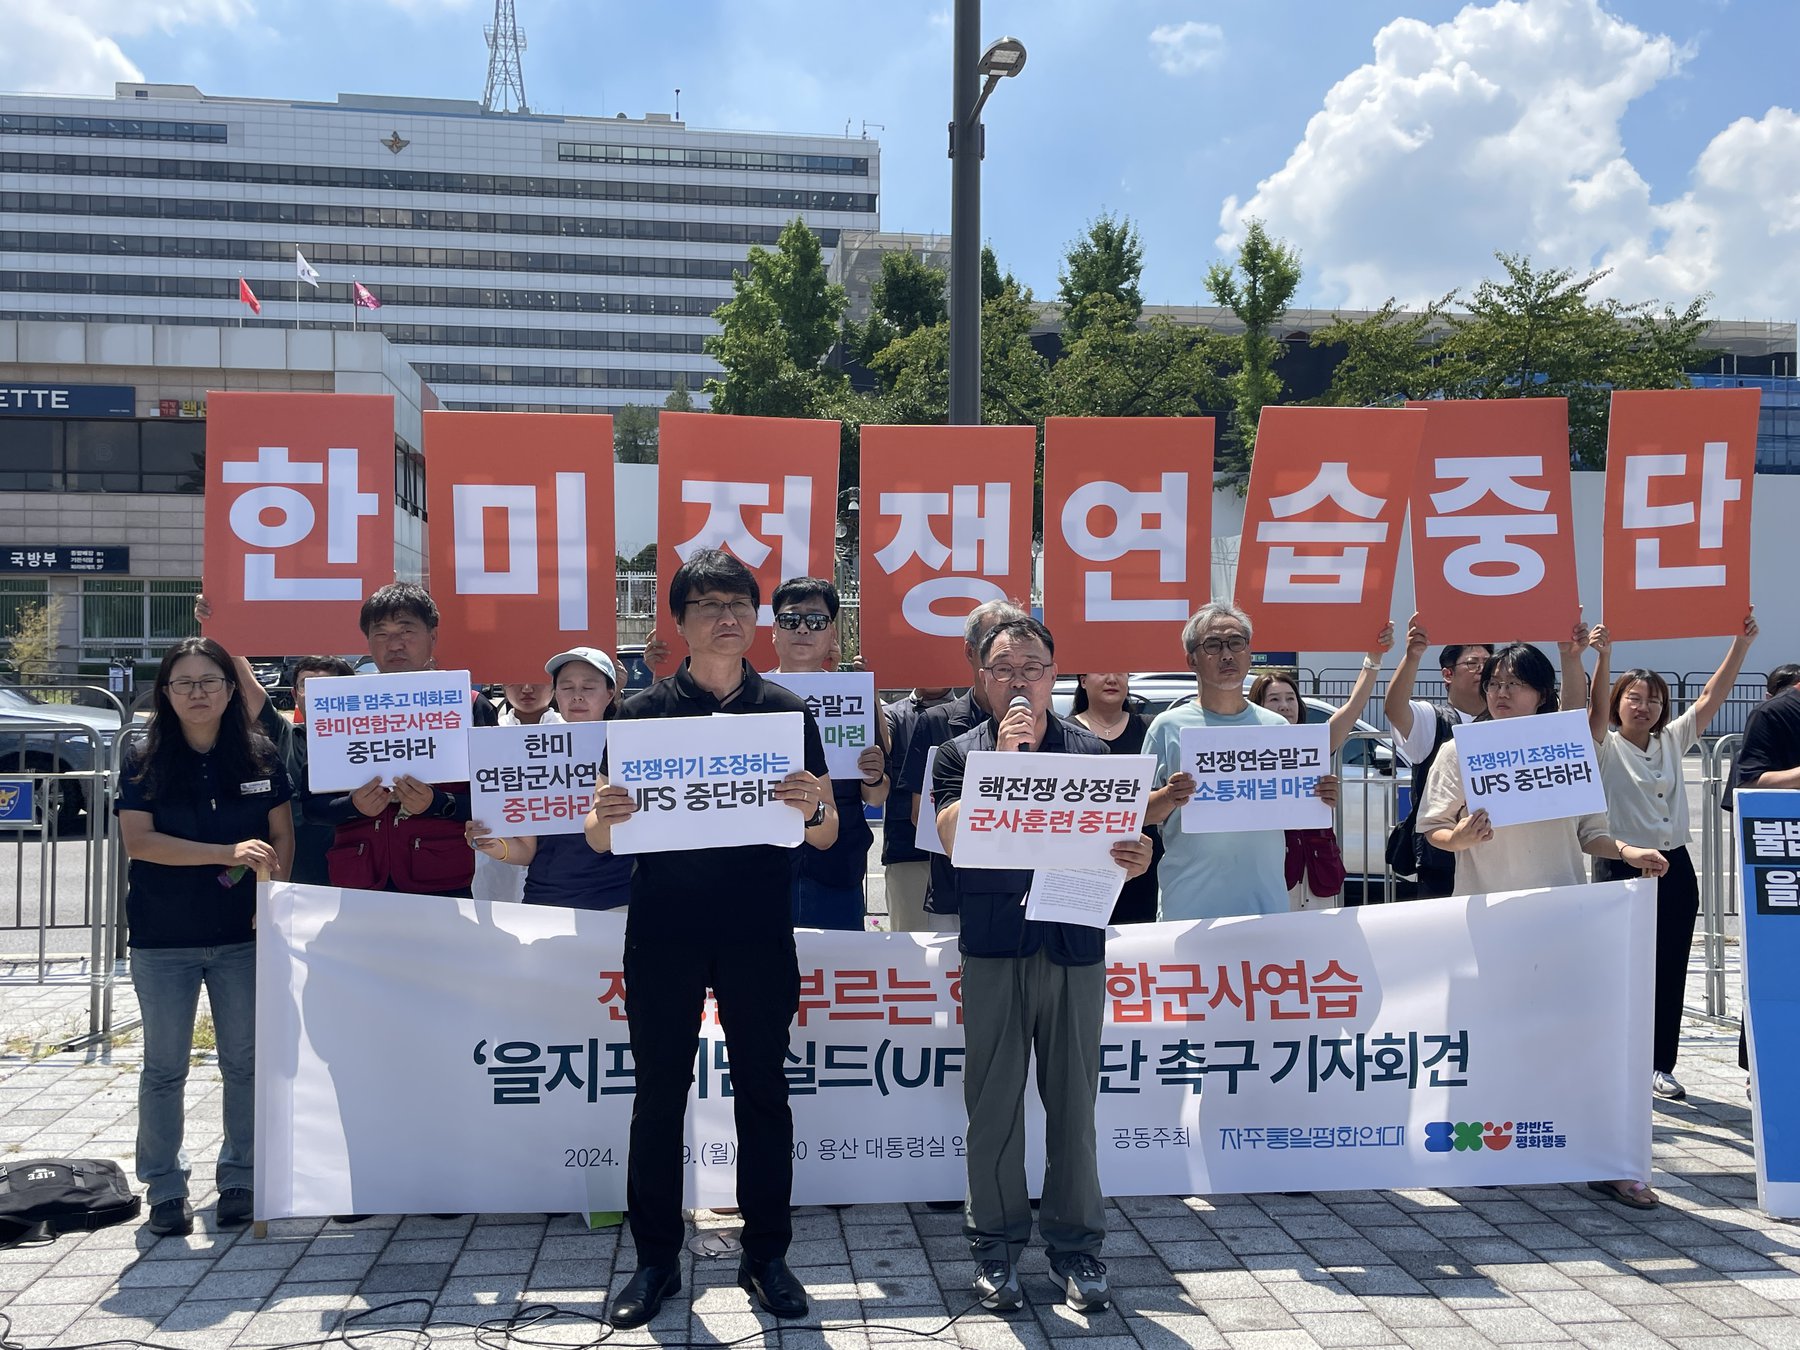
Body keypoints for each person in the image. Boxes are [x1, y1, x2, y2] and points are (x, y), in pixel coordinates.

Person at [586, 549, 834, 1329]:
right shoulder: (636, 714)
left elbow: (825, 838)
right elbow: (597, 837)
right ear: (681, 621)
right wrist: (607, 817)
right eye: (708, 606)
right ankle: (656, 1259)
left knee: (764, 1087)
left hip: (757, 927)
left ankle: (767, 1255)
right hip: (663, 927)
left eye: (738, 605)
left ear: (754, 617)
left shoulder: (788, 712)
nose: (727, 618)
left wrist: (814, 808)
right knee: (659, 1093)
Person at [931, 617, 1153, 1314]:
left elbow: (1125, 841)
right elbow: (952, 836)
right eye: (1004, 668)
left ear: (1055, 675)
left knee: (1073, 1107)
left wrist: (1138, 854)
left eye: (1032, 667)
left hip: (1073, 947)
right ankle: (994, 1248)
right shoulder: (956, 753)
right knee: (992, 1107)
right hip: (996, 949)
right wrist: (1003, 760)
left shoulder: (1092, 750)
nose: (1019, 680)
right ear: (982, 676)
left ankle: (1076, 1245)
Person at [1416, 641, 1667, 1210]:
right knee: (1482, 1038)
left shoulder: (1569, 749)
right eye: (1495, 683)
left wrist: (1628, 851)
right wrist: (1459, 838)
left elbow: (1590, 833)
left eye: (1517, 683)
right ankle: (1478, 1147)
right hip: (1487, 919)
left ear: (1542, 694)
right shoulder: (1460, 751)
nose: (1503, 692)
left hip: (1561, 921)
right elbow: (1433, 828)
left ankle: (1604, 1158)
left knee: (1581, 1039)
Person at [117, 637, 294, 1236]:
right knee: (164, 1067)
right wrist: (224, 852)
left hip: (243, 935)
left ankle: (240, 1176)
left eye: (210, 681)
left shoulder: (259, 753)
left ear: (229, 688)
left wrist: (272, 896)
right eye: (184, 683)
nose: (198, 693)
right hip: (163, 938)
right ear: (165, 693)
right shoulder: (143, 757)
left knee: (244, 1062)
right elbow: (140, 843)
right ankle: (165, 1186)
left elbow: (281, 835)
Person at [1583, 612, 1756, 1102]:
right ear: (1619, 702)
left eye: (1654, 698)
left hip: (1674, 864)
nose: (1646, 706)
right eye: (1634, 697)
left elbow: (1710, 699)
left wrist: (1739, 645)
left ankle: (1661, 1064)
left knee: (1671, 966)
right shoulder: (1603, 747)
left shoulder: (1672, 740)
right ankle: (1616, 1058)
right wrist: (1604, 658)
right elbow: (1594, 712)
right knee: (1620, 969)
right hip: (1620, 862)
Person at [1145, 603, 1340, 921]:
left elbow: (1294, 809)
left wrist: (1320, 796)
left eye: (1236, 643)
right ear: (1191, 659)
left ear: (1249, 654)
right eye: (1213, 645)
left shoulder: (1276, 728)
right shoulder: (1167, 727)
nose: (1226, 654)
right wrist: (1168, 797)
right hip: (1188, 910)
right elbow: (1136, 813)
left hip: (1265, 906)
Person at [302, 583, 498, 897]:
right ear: (367, 640)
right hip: (360, 881)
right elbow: (312, 807)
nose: (394, 645)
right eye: (381, 633)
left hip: (443, 880)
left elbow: (495, 800)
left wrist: (438, 803)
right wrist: (352, 805)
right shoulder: (338, 706)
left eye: (407, 631)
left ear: (432, 637)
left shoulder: (470, 704)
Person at [896, 599, 1029, 928]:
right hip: (953, 890)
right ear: (971, 653)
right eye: (994, 644)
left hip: (1025, 892)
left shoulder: (1046, 726)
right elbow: (921, 815)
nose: (1009, 660)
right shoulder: (935, 722)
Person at [468, 647, 630, 912]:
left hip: (618, 902)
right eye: (567, 687)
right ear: (556, 693)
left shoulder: (628, 748)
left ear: (610, 693)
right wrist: (493, 845)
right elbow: (527, 850)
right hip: (545, 902)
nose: (577, 696)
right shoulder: (535, 753)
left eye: (588, 687)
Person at [770, 576, 890, 931]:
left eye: (816, 621)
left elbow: (877, 794)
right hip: (764, 867)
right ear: (774, 631)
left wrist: (873, 775)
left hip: (837, 865)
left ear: (831, 633)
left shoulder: (853, 697)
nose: (803, 629)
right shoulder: (748, 696)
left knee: (837, 979)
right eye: (791, 620)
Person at [1248, 624, 1394, 908]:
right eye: (1274, 699)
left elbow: (1353, 708)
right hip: (1272, 874)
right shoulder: (1247, 751)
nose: (1285, 705)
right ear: (1258, 705)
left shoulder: (1312, 744)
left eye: (1290, 698)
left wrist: (1373, 660)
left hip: (1317, 870)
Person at [1382, 623, 1494, 898]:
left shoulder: (1507, 721)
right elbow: (1395, 709)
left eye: (1487, 662)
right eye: (1472, 662)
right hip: (1442, 862)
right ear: (1447, 674)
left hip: (1498, 857)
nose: (1482, 668)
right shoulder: (1432, 718)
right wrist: (1413, 655)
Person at [1069, 673, 1162, 923]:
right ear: (1083, 680)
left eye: (1120, 672)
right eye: (1101, 671)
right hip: (1081, 868)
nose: (1112, 679)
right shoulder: (1063, 733)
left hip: (1143, 862)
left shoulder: (1150, 729)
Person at [471, 676, 565, 904]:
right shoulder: (487, 732)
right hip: (499, 855)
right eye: (515, 680)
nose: (526, 688)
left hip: (557, 862)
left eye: (537, 681)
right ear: (502, 685)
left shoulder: (573, 732)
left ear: (555, 685)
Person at [881, 684, 953, 931]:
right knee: (909, 954)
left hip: (961, 858)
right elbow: (883, 747)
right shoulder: (893, 713)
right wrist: (868, 685)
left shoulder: (974, 713)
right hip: (907, 853)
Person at [282, 656, 356, 885]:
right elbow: (247, 685)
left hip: (363, 880)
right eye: (307, 686)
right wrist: (220, 624)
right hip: (300, 885)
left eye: (327, 686)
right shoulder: (284, 735)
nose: (318, 694)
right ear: (295, 695)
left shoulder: (376, 742)